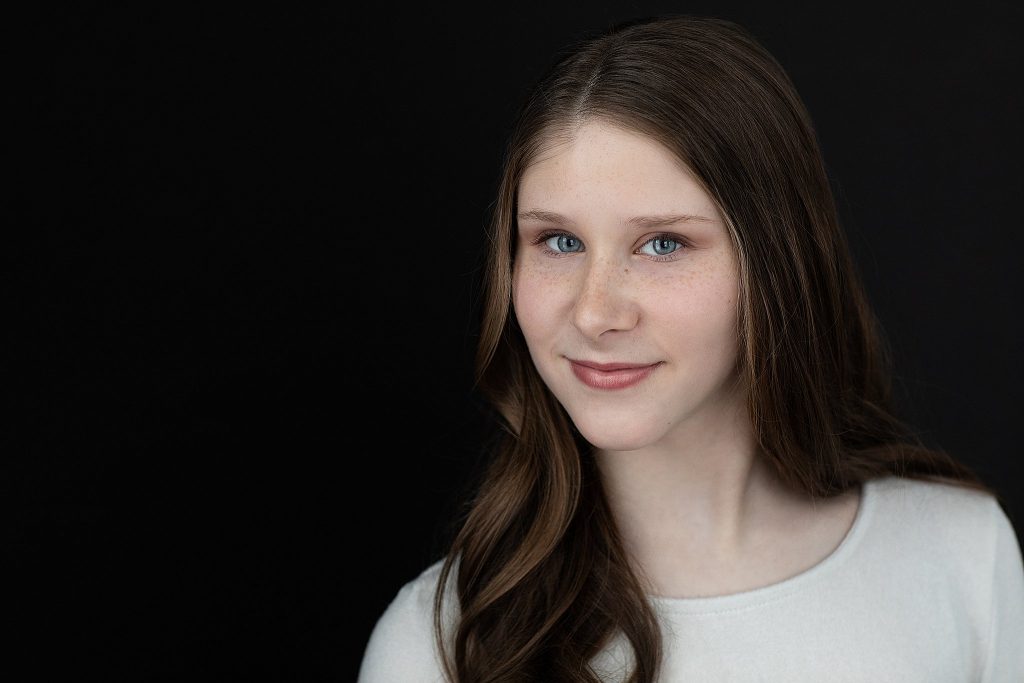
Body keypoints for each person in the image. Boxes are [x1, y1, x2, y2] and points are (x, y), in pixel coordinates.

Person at [357, 14, 1024, 682]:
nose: (594, 312)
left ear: (775, 263)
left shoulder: (961, 558)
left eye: (663, 244)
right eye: (559, 241)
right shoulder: (438, 645)